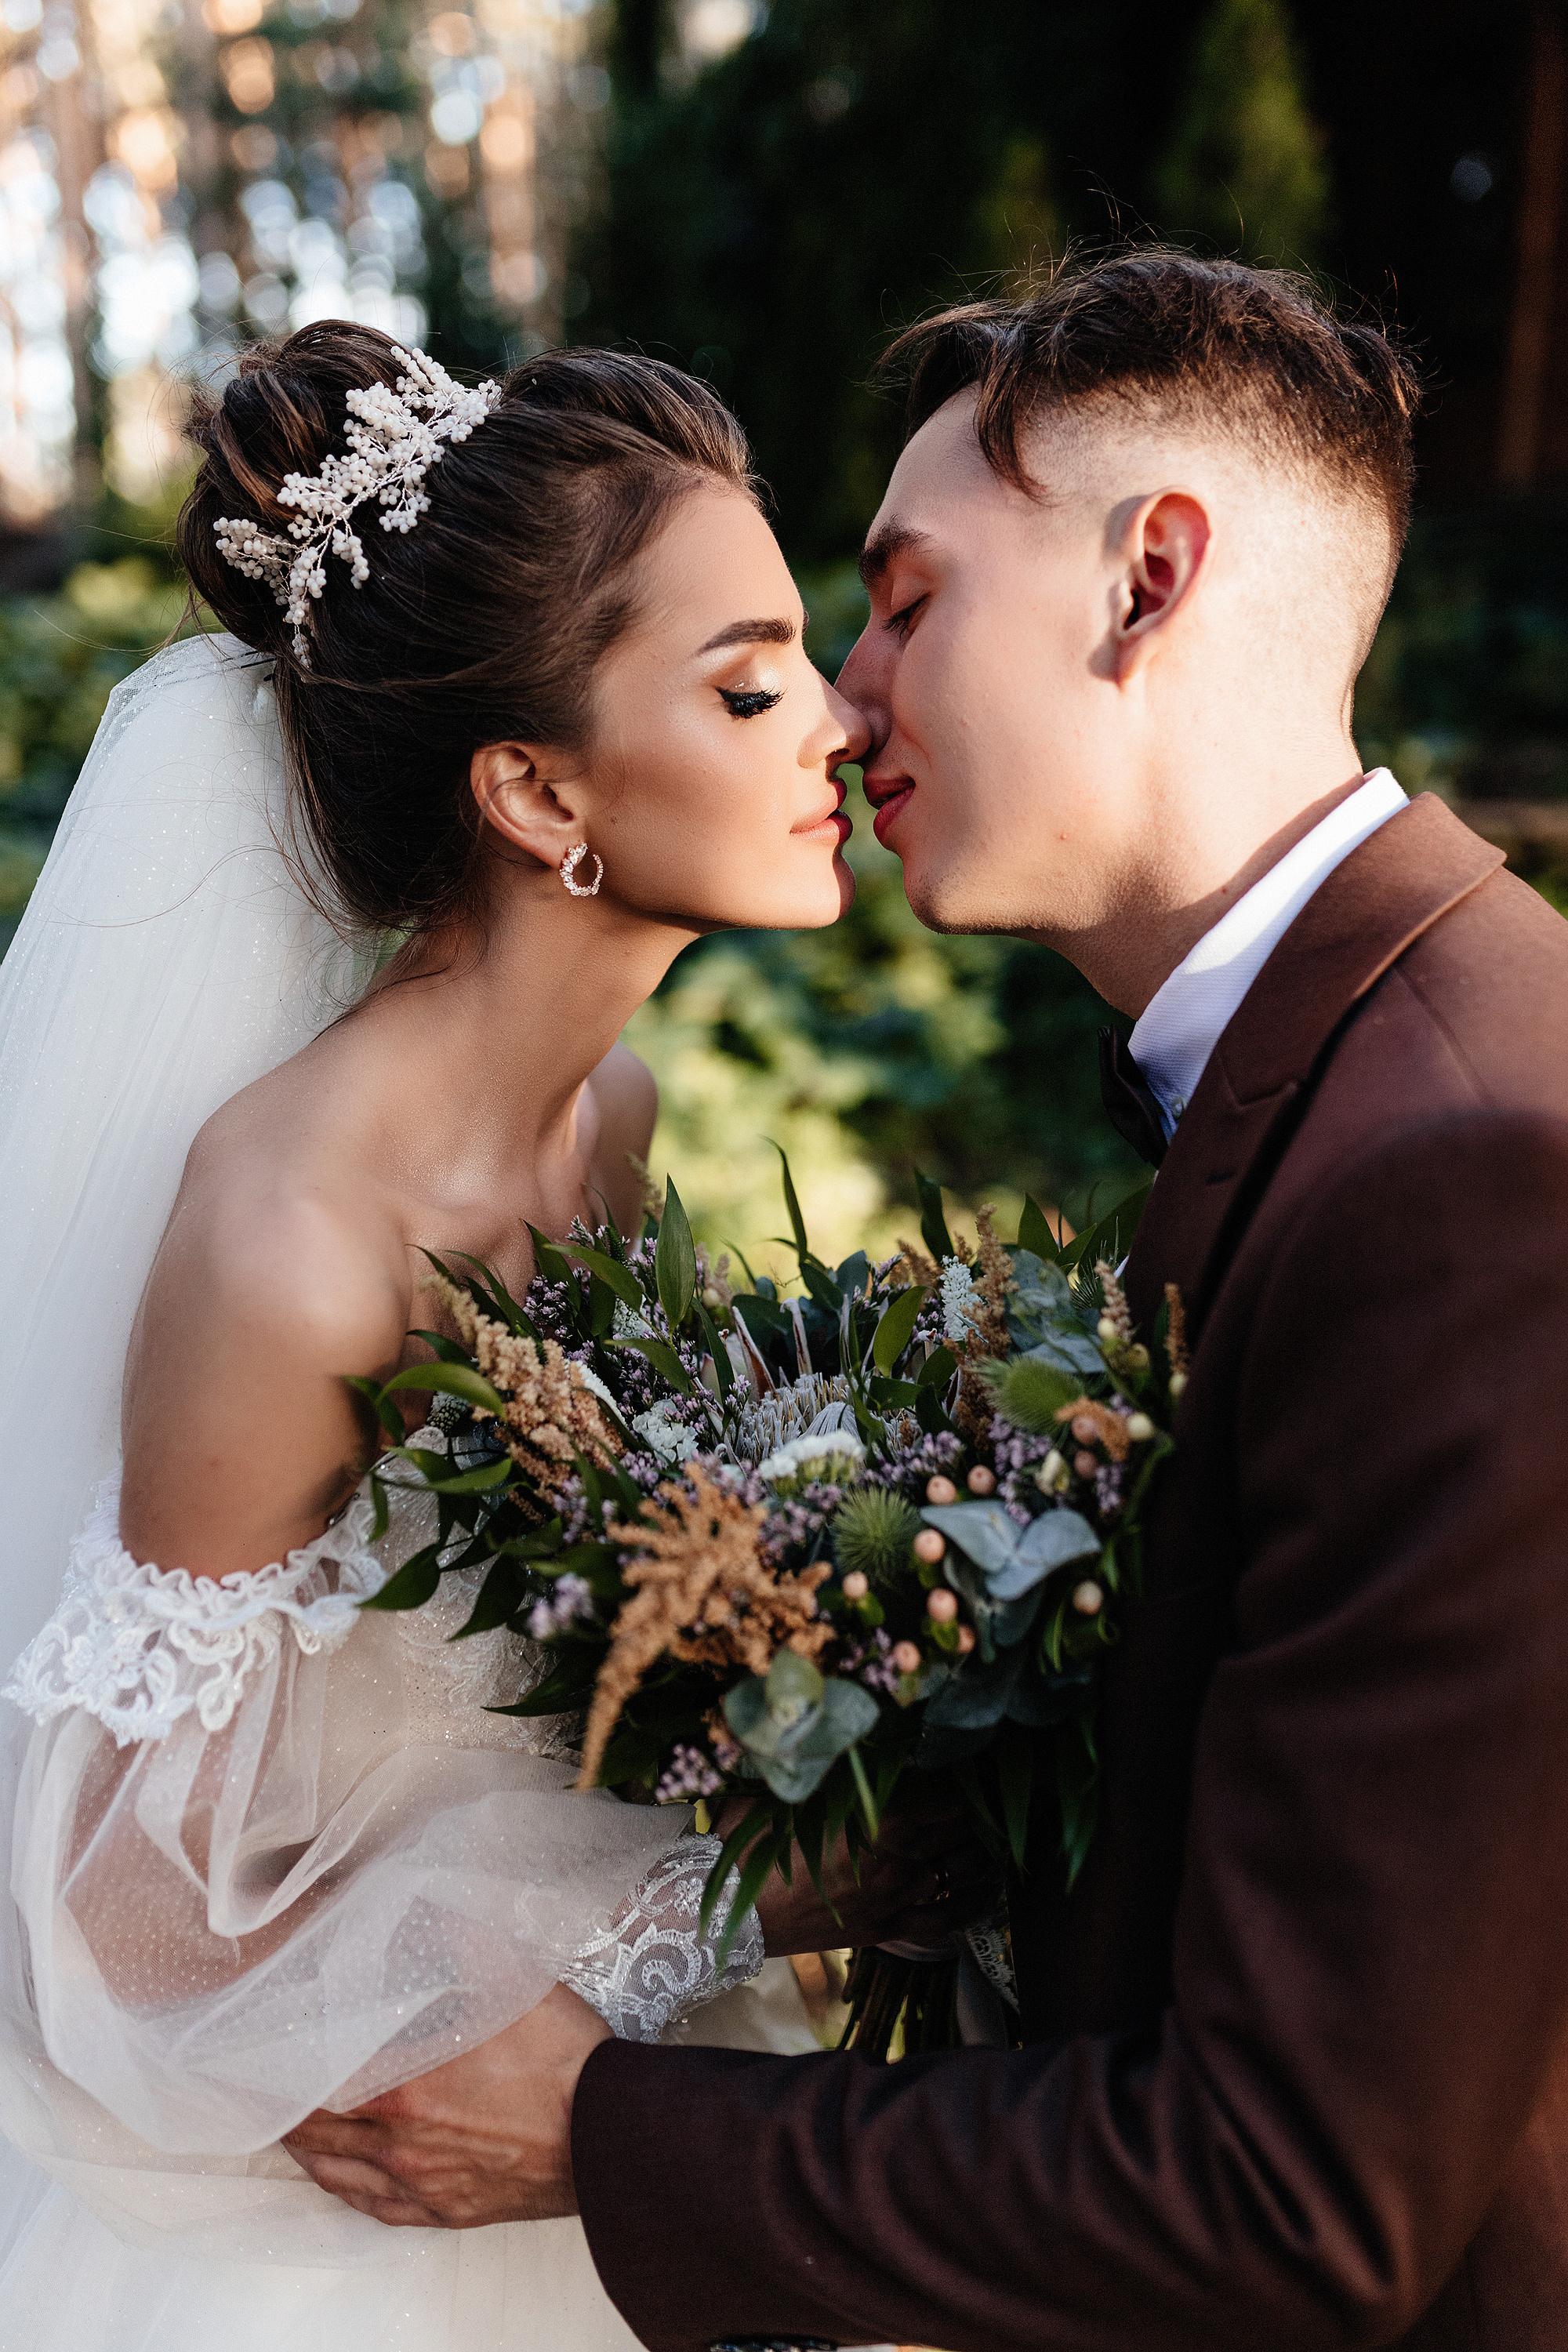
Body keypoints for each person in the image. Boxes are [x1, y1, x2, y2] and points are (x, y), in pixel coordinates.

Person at [286, 254, 1568, 2352]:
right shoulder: (1360, 1078)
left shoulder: (1466, 1174)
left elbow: (1300, 2191)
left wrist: (599, 2133)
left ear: (1149, 580)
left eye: (902, 601)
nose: (847, 704)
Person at [0, 325, 980, 2352]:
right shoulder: (294, 1236)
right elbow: (117, 1914)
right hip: (333, 2201)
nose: (834, 723)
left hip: (608, 2112)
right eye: (746, 680)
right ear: (538, 789)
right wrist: (718, 1904)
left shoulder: (605, 1127)